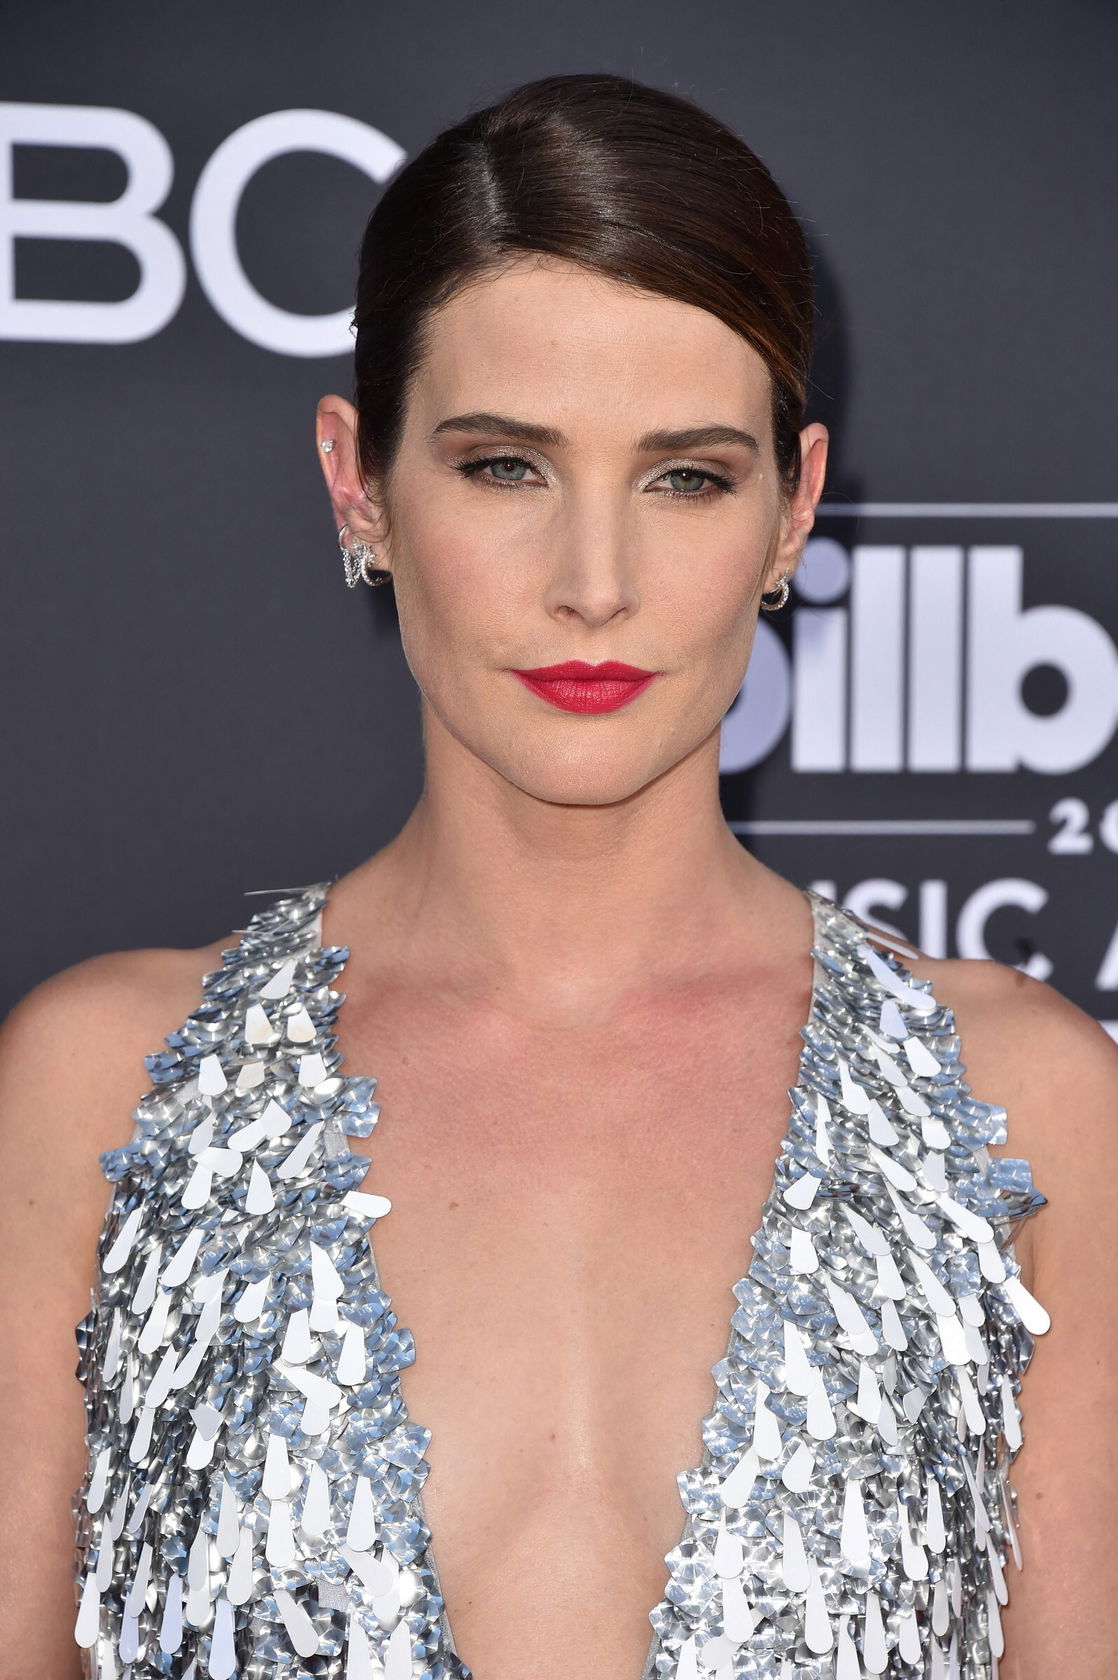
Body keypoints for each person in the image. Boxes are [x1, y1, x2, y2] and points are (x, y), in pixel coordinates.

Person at [0, 69, 1114, 1680]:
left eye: (686, 477)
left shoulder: (1029, 1114)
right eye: (505, 466)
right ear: (358, 481)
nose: (593, 583)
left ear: (791, 507)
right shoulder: (97, 1093)